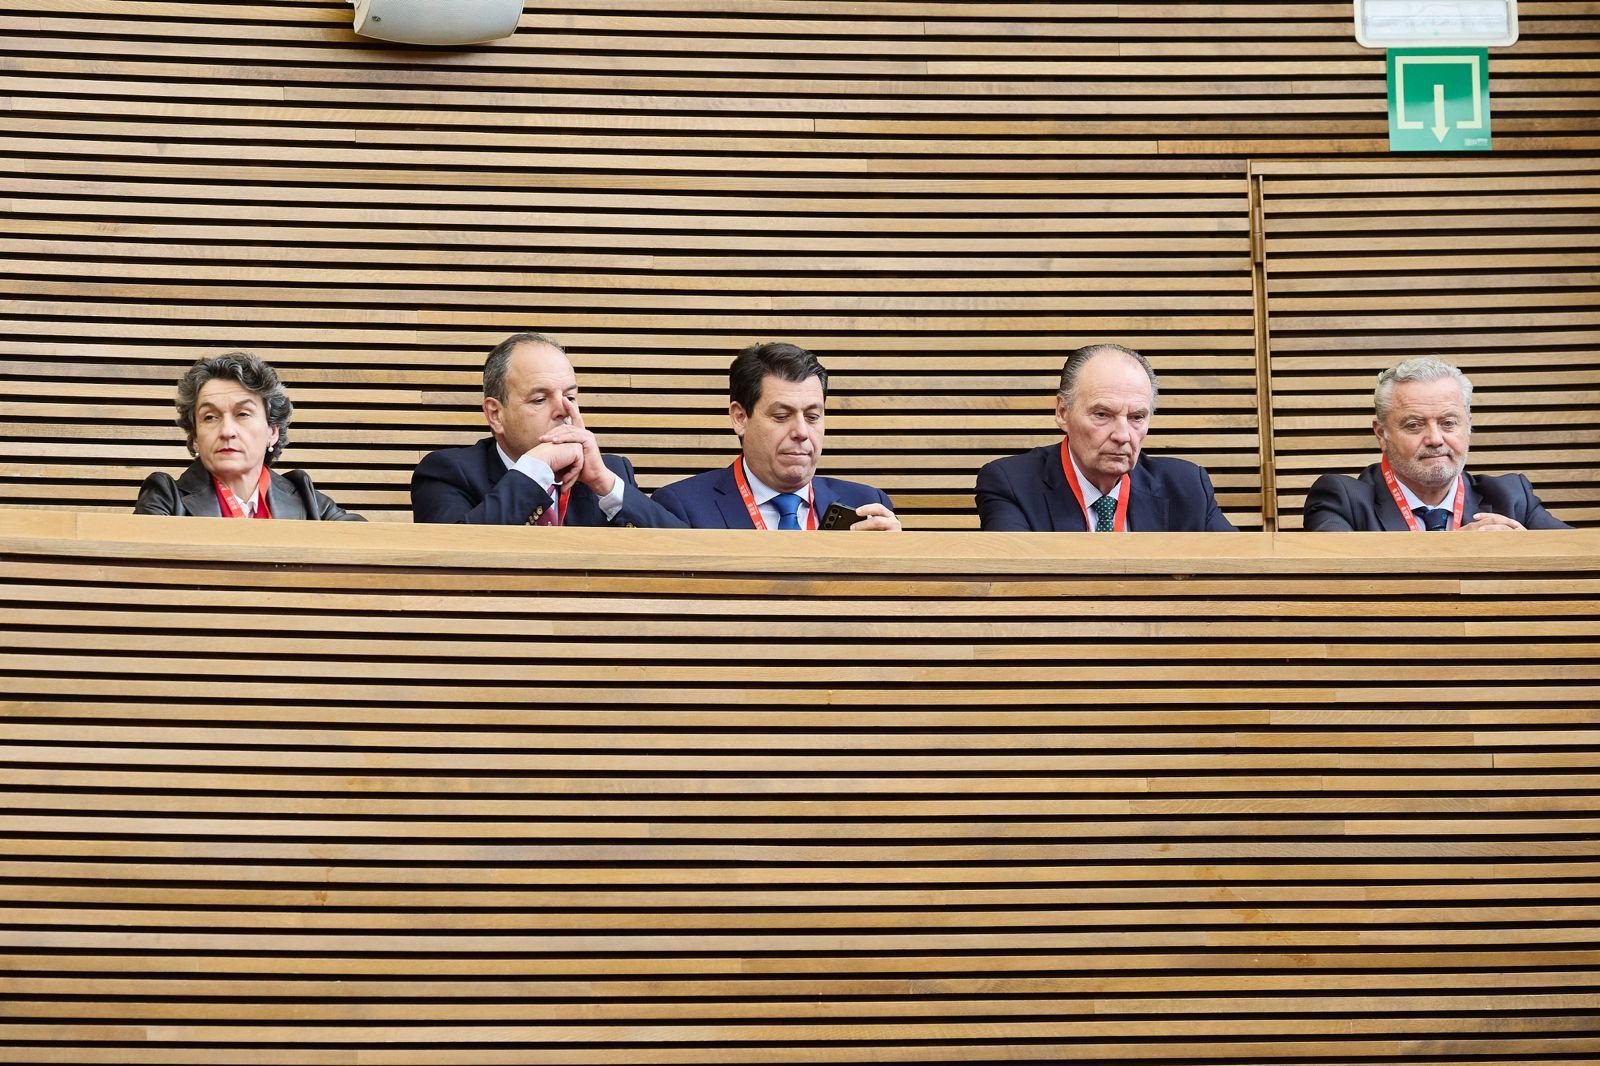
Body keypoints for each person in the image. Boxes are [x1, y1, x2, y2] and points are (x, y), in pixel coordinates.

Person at [411, 332, 683, 527]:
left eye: (571, 397)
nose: (563, 410)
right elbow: (455, 558)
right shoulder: (447, 473)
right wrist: (535, 469)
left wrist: (604, 483)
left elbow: (683, 553)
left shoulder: (610, 472)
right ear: (496, 414)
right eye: (540, 399)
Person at [975, 343, 1235, 532]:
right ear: (1063, 412)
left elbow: (1240, 571)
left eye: (1136, 418)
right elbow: (1014, 585)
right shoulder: (1011, 484)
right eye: (1102, 414)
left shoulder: (1187, 486)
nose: (1123, 435)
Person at [652, 342, 900, 531]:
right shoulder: (681, 508)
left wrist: (897, 561)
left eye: (812, 417)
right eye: (782, 416)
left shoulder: (866, 504)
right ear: (740, 418)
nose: (802, 432)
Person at [1303, 357, 1570, 532]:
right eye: (1414, 425)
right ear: (1382, 434)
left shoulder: (1512, 497)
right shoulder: (1342, 500)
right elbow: (1339, 579)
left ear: (1468, 426)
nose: (1435, 439)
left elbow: (1581, 560)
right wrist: (1452, 551)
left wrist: (1530, 548)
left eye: (1449, 423)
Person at [134, 352, 361, 520]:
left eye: (242, 414)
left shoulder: (305, 498)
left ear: (272, 431)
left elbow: (367, 545)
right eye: (210, 417)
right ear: (194, 437)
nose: (226, 431)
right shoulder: (166, 497)